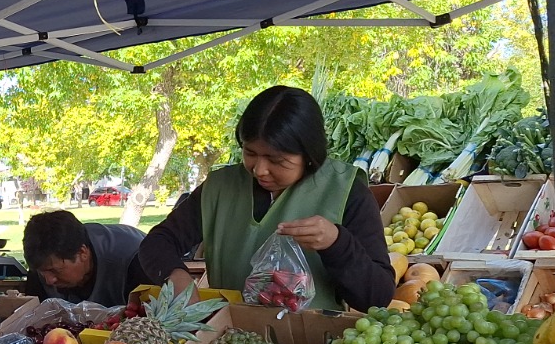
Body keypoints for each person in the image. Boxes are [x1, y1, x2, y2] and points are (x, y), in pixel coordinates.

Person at [137, 85, 395, 312]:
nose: (259, 169)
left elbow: (377, 297)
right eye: (250, 153)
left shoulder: (346, 191)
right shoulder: (220, 187)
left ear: (309, 154)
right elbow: (158, 242)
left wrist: (337, 243)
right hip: (227, 341)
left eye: (276, 160)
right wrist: (175, 275)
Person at [23, 209, 151, 306]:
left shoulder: (136, 260)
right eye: (42, 271)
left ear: (82, 253)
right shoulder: (42, 261)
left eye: (55, 270)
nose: (49, 280)